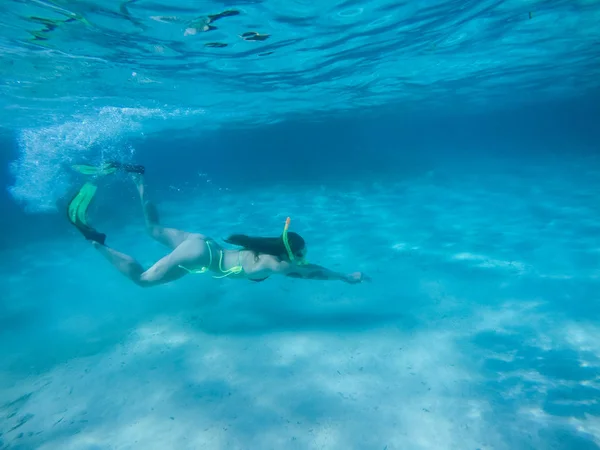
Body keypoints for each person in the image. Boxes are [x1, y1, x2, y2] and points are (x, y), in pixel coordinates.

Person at [67, 163, 370, 288]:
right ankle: (96, 241)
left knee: (154, 230)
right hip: (201, 257)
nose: (302, 258)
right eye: (301, 253)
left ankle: (138, 178)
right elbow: (310, 272)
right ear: (291, 252)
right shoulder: (274, 263)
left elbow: (305, 266)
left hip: (205, 242)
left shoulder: (263, 248)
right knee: (144, 280)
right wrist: (346, 277)